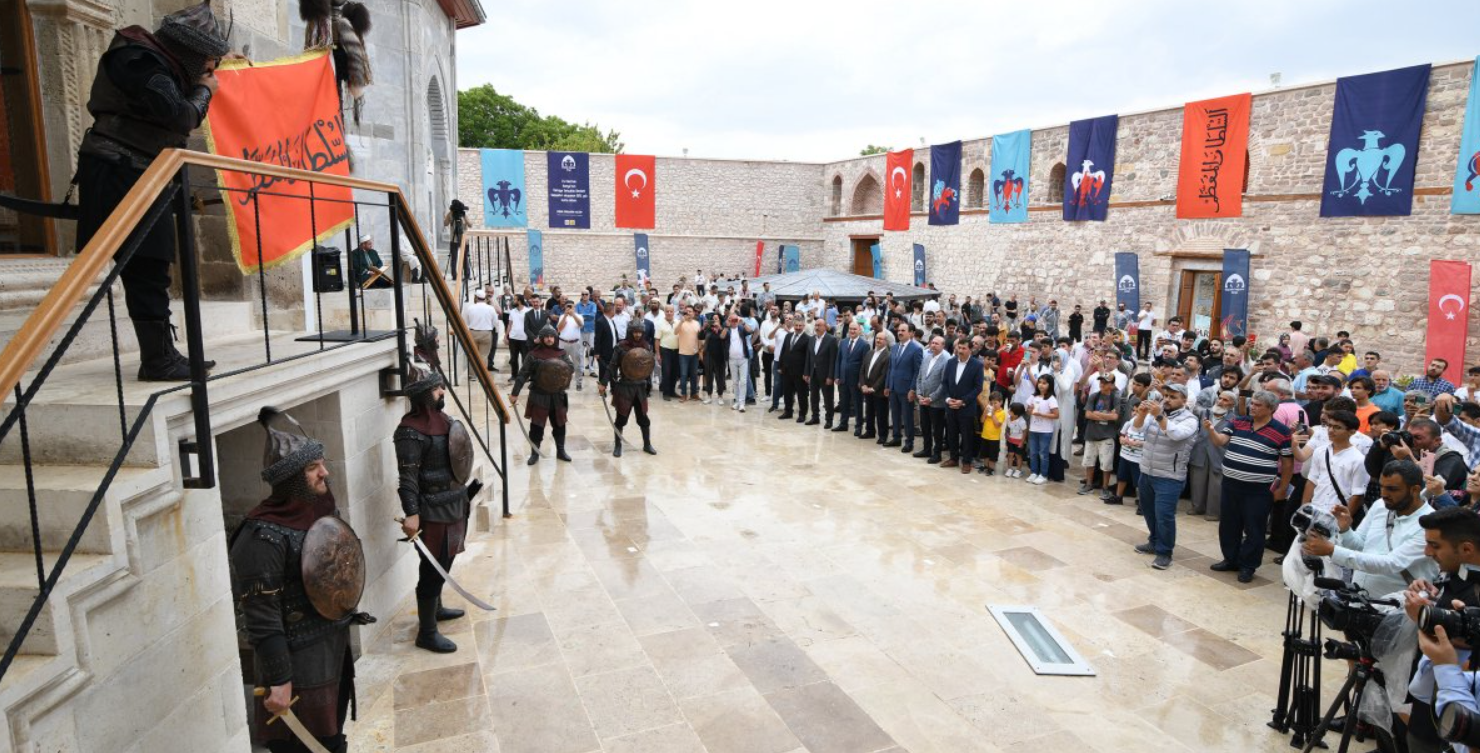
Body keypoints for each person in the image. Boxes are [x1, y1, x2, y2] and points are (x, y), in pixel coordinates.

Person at [75, 1, 232, 382]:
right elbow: (179, 115)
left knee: (154, 263)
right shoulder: (138, 60)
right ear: (189, 50)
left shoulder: (157, 59)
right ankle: (157, 360)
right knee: (145, 264)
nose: (209, 66)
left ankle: (162, 352)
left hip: (142, 171)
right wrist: (204, 89)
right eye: (206, 57)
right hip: (119, 171)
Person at [231, 407, 372, 753]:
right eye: (313, 468)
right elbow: (261, 617)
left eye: (322, 463)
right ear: (291, 479)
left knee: (332, 734)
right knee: (302, 746)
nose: (325, 472)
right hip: (296, 659)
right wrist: (279, 679)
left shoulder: (320, 511)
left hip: (331, 644)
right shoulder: (261, 536)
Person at [395, 363, 477, 653]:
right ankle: (426, 633)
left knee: (446, 560)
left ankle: (437, 608)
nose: (443, 391)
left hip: (454, 504)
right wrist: (412, 513)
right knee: (432, 569)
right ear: (424, 395)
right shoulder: (409, 432)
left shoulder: (445, 421)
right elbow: (407, 477)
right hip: (431, 512)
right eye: (437, 387)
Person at [1303, 460, 1436, 600]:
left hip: (1397, 611)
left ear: (1414, 490)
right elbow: (1360, 546)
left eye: (1392, 489)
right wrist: (1345, 530)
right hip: (1358, 601)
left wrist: (1332, 550)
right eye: (1382, 487)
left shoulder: (1429, 523)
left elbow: (1390, 564)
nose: (1384, 494)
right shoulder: (1380, 506)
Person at [1205, 389, 1293, 582]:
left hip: (1258, 490)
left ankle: (1248, 565)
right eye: (1252, 403)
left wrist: (1283, 488)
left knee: (1254, 528)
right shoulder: (1239, 422)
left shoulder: (1282, 431)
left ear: (1271, 409)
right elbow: (1221, 441)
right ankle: (1231, 559)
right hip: (1231, 484)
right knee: (1229, 524)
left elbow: (1287, 462)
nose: (1252, 407)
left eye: (1258, 405)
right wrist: (1211, 430)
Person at [1134, 383, 1199, 570]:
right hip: (1147, 471)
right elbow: (1137, 429)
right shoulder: (1157, 413)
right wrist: (1141, 413)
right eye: (1166, 396)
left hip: (1169, 476)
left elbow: (1175, 434)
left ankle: (1164, 553)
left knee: (1164, 516)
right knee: (1148, 511)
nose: (1168, 400)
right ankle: (1154, 541)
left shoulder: (1190, 419)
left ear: (1184, 400)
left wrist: (1158, 415)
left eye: (1173, 397)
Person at [510, 324, 574, 464]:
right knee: (537, 426)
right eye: (547, 337)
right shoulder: (533, 355)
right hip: (539, 395)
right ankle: (535, 453)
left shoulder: (562, 354)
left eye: (552, 337)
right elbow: (522, 375)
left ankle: (561, 451)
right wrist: (514, 393)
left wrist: (556, 366)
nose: (550, 339)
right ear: (542, 338)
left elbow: (570, 368)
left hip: (557, 395)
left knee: (560, 424)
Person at [601, 325, 659, 456]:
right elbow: (612, 366)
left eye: (640, 332)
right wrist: (604, 383)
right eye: (635, 332)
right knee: (621, 419)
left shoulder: (646, 346)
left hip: (640, 388)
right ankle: (618, 446)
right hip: (625, 387)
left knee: (643, 418)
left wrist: (649, 385)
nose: (637, 335)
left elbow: (648, 366)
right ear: (630, 332)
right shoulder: (621, 347)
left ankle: (647, 444)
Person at [940, 339, 983, 473]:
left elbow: (977, 388)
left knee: (966, 436)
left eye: (964, 348)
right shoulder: (951, 362)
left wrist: (963, 401)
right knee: (951, 434)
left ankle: (966, 461)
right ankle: (953, 458)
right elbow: (945, 383)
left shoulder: (977, 365)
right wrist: (947, 399)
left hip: (966, 407)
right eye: (959, 348)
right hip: (950, 405)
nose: (961, 351)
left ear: (970, 350)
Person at [1079, 374, 1121, 495]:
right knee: (1089, 461)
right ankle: (1089, 484)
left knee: (1106, 464)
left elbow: (1115, 417)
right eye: (1101, 382)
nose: (1102, 384)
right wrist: (1107, 415)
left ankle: (1105, 487)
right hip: (1091, 434)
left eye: (1106, 382)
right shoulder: (1094, 396)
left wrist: (1098, 414)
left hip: (1107, 435)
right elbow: (1088, 414)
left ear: (1112, 384)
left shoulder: (1115, 398)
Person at [913, 335, 951, 464]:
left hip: (937, 402)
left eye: (937, 343)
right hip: (923, 399)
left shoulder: (946, 360)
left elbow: (944, 384)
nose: (933, 345)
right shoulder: (927, 357)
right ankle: (926, 449)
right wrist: (919, 394)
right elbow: (920, 377)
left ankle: (937, 453)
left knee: (937, 429)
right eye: (932, 343)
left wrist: (931, 398)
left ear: (943, 346)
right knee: (925, 426)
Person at [886, 323, 924, 451]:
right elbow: (890, 368)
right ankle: (896, 438)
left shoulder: (916, 349)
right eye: (899, 330)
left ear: (910, 333)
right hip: (893, 387)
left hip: (906, 388)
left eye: (903, 330)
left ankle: (909, 441)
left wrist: (913, 389)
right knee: (895, 414)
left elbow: (917, 371)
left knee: (907, 417)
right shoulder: (894, 347)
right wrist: (887, 385)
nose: (900, 332)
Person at [833, 322, 869, 433]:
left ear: (859, 330)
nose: (852, 331)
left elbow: (864, 365)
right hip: (843, 378)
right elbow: (838, 360)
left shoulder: (864, 345)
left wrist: (861, 381)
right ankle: (843, 424)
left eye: (854, 329)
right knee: (844, 402)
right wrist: (837, 375)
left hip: (856, 381)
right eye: (850, 329)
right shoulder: (843, 342)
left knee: (857, 404)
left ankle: (858, 427)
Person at [803, 318, 838, 427]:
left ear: (825, 327)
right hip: (813, 373)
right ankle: (815, 417)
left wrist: (830, 376)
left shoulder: (831, 340)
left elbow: (833, 360)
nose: (817, 327)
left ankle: (829, 420)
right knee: (813, 397)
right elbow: (808, 357)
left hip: (826, 374)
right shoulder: (812, 339)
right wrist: (806, 372)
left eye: (819, 325)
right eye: (816, 325)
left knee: (828, 398)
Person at [1025, 375, 1059, 485]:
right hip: (1033, 429)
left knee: (1043, 453)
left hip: (1045, 431)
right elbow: (1028, 410)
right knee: (1033, 452)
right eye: (1040, 382)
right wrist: (1030, 410)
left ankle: (1043, 474)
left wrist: (1041, 414)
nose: (1041, 385)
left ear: (1050, 385)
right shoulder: (1033, 396)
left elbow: (1056, 415)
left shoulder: (1051, 399)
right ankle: (1034, 472)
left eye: (1044, 383)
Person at [859, 330, 891, 441]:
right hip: (867, 388)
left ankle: (883, 435)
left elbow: (884, 375)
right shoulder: (870, 352)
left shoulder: (887, 355)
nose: (878, 340)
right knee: (869, 411)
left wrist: (874, 388)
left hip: (879, 390)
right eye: (877, 338)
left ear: (886, 341)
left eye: (880, 339)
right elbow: (862, 370)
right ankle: (870, 431)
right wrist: (863, 385)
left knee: (881, 414)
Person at [777, 316, 809, 420]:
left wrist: (806, 372)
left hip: (800, 372)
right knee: (787, 392)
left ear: (804, 326)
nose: (798, 327)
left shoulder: (808, 339)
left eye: (800, 325)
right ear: (793, 325)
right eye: (796, 325)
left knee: (802, 394)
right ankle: (788, 411)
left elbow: (808, 357)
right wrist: (780, 366)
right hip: (787, 370)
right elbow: (783, 351)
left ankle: (802, 414)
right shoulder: (788, 336)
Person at [554, 300, 586, 392]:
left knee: (577, 364)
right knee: (561, 364)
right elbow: (559, 328)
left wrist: (573, 315)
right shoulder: (561, 316)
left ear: (574, 307)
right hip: (563, 343)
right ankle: (562, 382)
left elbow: (581, 325)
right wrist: (565, 315)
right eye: (568, 306)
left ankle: (578, 383)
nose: (569, 308)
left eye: (571, 306)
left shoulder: (579, 316)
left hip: (575, 343)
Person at [725, 311, 753, 412]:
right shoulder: (727, 330)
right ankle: (737, 401)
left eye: (735, 320)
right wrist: (726, 326)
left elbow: (750, 331)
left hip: (743, 359)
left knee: (744, 381)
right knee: (735, 382)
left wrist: (743, 322)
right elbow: (722, 337)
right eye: (732, 320)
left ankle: (742, 403)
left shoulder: (741, 328)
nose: (734, 322)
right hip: (732, 359)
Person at [463, 289, 497, 372]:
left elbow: (466, 322)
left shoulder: (470, 308)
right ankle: (483, 375)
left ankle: (472, 375)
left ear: (476, 297)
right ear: (484, 298)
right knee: (484, 355)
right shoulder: (491, 308)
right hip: (486, 333)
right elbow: (495, 323)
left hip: (473, 332)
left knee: (473, 355)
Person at [675, 306, 701, 402]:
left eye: (690, 311)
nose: (689, 313)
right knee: (684, 375)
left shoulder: (697, 323)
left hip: (695, 353)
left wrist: (700, 350)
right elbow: (675, 332)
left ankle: (694, 394)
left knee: (694, 375)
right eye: (687, 312)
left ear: (694, 313)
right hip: (683, 354)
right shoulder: (681, 323)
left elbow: (699, 337)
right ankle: (684, 394)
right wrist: (681, 321)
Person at [978, 393, 1006, 476]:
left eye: (995, 403)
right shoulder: (988, 410)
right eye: (991, 403)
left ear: (1001, 402)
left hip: (994, 438)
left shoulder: (1002, 413)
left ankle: (991, 469)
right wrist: (985, 412)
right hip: (985, 435)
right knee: (985, 453)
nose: (993, 405)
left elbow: (997, 425)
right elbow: (982, 421)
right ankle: (985, 466)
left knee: (992, 455)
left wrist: (993, 414)